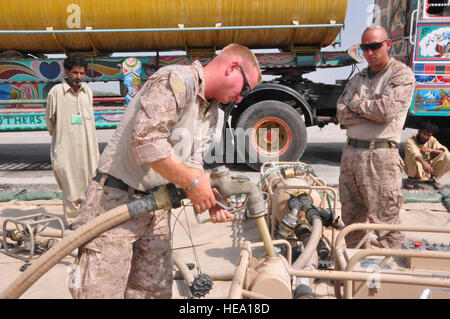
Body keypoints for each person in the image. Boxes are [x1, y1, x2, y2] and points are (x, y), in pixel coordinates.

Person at [69, 43, 262, 299]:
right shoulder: (176, 80)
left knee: (153, 293)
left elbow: (192, 164)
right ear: (233, 68)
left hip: (156, 208)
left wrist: (208, 196)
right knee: (100, 293)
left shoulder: (210, 112)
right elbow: (148, 142)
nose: (240, 98)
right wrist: (194, 183)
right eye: (244, 89)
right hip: (114, 201)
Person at [336, 25, 416, 249]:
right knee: (352, 221)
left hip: (380, 157)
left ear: (387, 45)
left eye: (375, 46)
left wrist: (356, 103)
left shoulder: (401, 74)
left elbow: (386, 111)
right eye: (365, 48)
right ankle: (357, 273)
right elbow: (341, 114)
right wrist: (370, 111)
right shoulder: (359, 77)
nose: (369, 53)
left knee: (386, 223)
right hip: (351, 154)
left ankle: (396, 277)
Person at [45, 54, 99, 227]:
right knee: (69, 181)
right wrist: (63, 136)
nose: (79, 77)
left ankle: (89, 217)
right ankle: (72, 221)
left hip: (88, 147)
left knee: (90, 182)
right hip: (66, 146)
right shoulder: (56, 92)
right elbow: (50, 121)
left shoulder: (87, 92)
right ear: (67, 72)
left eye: (82, 73)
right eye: (75, 73)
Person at [404, 122, 450, 190]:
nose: (425, 137)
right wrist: (424, 163)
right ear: (419, 131)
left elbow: (444, 151)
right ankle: (410, 179)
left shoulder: (432, 139)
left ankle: (432, 178)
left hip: (427, 170)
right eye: (424, 133)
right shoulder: (410, 141)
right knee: (414, 156)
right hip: (414, 169)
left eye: (428, 135)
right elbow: (415, 153)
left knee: (448, 156)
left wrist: (430, 150)